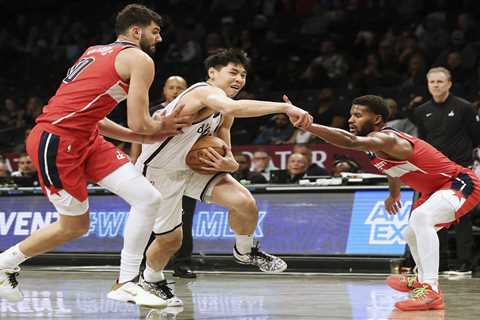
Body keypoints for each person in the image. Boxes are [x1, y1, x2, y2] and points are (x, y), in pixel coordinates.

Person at [0, 4, 192, 307]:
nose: (159, 39)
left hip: (87, 137)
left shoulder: (94, 51)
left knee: (148, 199)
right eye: (155, 32)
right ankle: (4, 264)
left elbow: (98, 118)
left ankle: (126, 282)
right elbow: (140, 122)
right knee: (74, 226)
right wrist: (160, 126)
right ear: (136, 31)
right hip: (56, 141)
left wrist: (144, 135)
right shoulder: (139, 59)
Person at [108, 48, 312, 305]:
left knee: (244, 202)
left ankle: (245, 250)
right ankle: (152, 277)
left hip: (194, 166)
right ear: (212, 74)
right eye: (233, 72)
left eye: (243, 75)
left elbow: (224, 132)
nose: (239, 79)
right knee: (171, 241)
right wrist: (284, 107)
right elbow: (233, 106)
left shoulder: (224, 108)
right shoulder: (202, 92)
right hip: (160, 171)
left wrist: (228, 160)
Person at [301, 94, 480, 311]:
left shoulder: (388, 139)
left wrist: (308, 126)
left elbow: (349, 141)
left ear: (377, 119)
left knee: (422, 219)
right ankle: (422, 282)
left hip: (459, 182)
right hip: (433, 191)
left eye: (358, 115)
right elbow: (392, 169)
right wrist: (394, 195)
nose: (351, 120)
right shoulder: (375, 148)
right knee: (411, 233)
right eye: (351, 114)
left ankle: (431, 289)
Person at [412, 67, 480, 275]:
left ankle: (465, 264)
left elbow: (476, 137)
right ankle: (439, 264)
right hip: (433, 174)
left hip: (460, 171)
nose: (436, 85)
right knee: (432, 218)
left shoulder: (465, 107)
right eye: (432, 82)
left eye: (440, 82)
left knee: (462, 219)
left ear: (449, 83)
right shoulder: (421, 111)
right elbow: (421, 143)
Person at [131, 75, 198, 279]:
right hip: (154, 170)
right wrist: (134, 162)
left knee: (184, 222)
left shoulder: (198, 111)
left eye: (180, 87)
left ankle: (182, 264)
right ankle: (144, 264)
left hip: (184, 171)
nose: (176, 91)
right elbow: (138, 135)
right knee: (149, 218)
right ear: (164, 90)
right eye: (171, 87)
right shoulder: (153, 111)